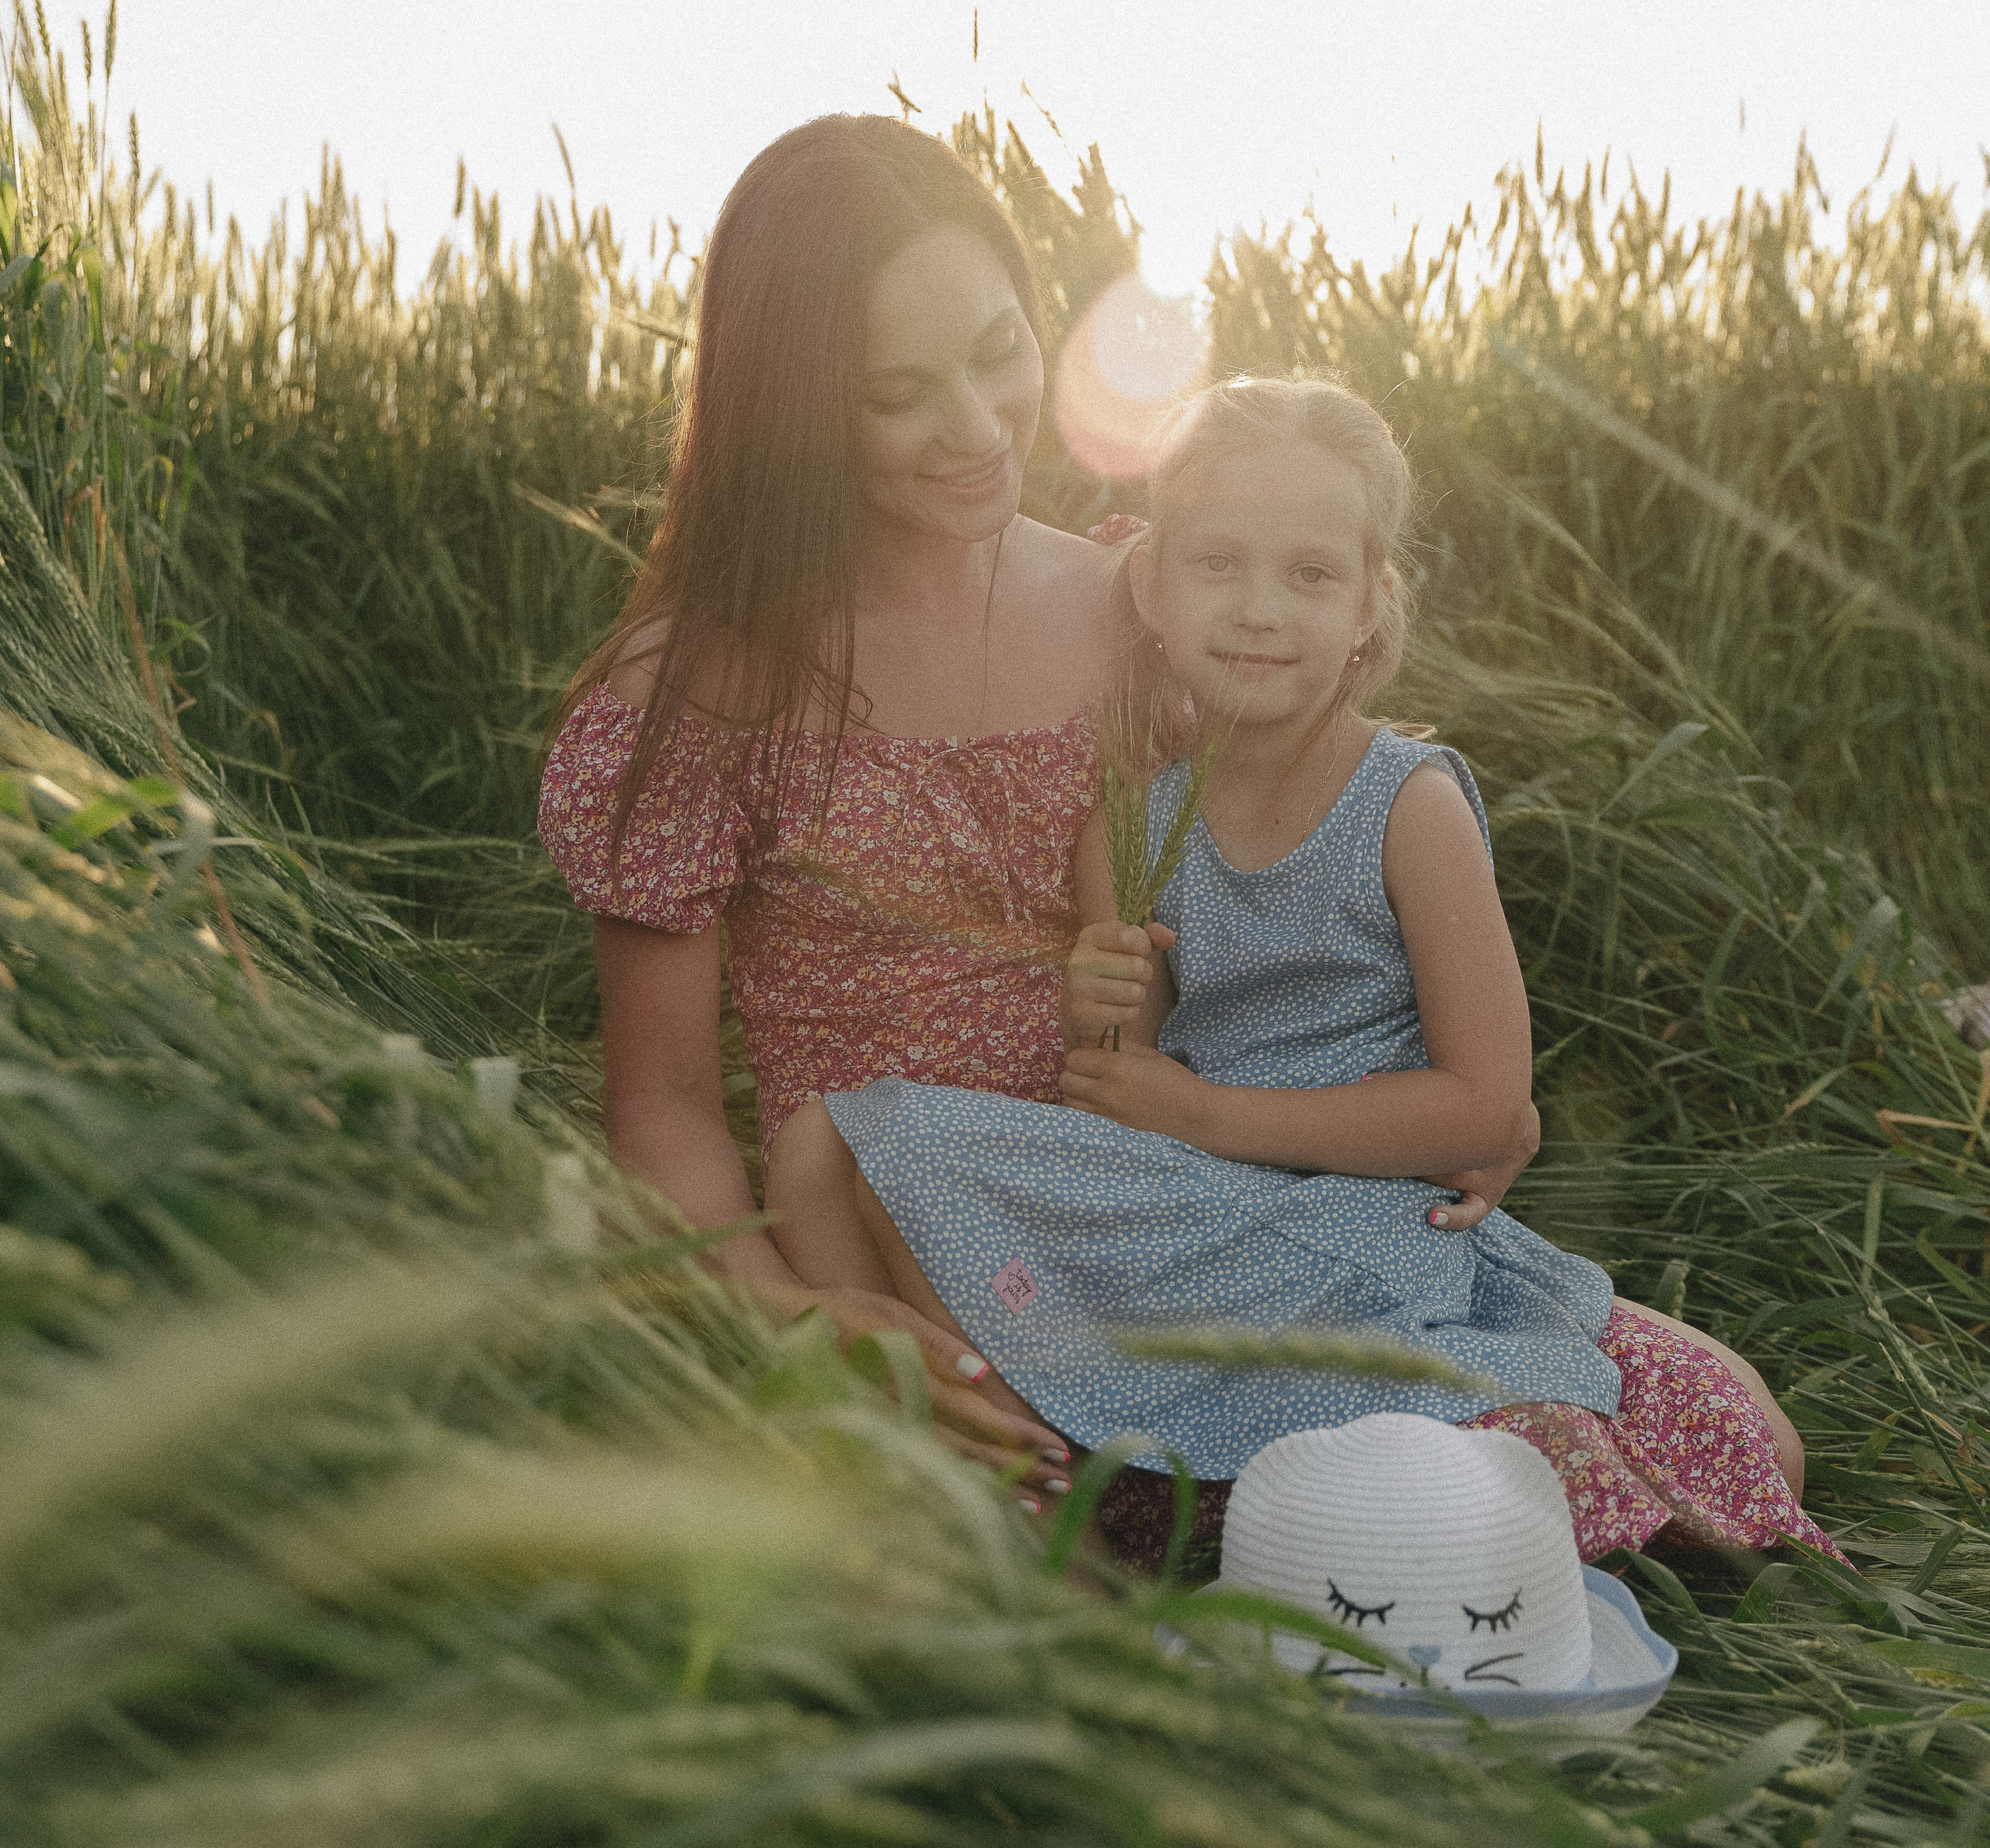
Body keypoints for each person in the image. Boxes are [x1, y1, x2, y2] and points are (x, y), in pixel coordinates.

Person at [538, 121, 1534, 1516]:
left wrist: (1457, 1102)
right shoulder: (703, 690)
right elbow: (663, 1107)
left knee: (1661, 1418)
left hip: (1175, 1210)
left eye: (999, 351)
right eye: (897, 393)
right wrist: (793, 1321)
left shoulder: (1143, 609)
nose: (974, 424)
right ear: (792, 406)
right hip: (884, 1237)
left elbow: (1291, 899)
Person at [774, 375, 1838, 1573]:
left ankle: (1353, 1492)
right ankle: (1058, 1496)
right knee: (859, 1139)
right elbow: (1134, 1085)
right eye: (1218, 564)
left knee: (1754, 1439)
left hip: (1370, 1221)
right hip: (1210, 1223)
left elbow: (1488, 1105)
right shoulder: (1134, 816)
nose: (1259, 610)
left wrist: (1213, 1115)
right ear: (1157, 588)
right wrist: (1105, 1010)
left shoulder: (1408, 804)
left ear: (1372, 607)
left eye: (1310, 575)